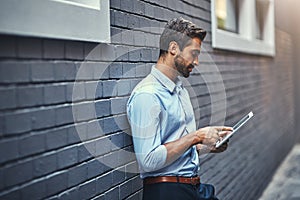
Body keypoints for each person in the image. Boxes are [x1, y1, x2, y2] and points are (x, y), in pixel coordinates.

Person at [126, 17, 233, 200]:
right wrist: (196, 136)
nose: (196, 62)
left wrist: (205, 146)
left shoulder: (180, 90)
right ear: (173, 48)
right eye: (194, 53)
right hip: (166, 192)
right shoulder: (147, 95)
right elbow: (148, 160)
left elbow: (175, 147)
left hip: (192, 188)